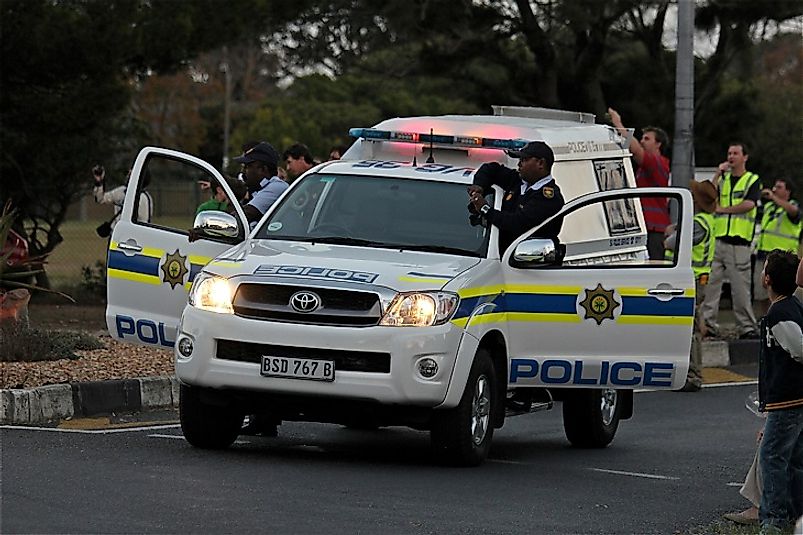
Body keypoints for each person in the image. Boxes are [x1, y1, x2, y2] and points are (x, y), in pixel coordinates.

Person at [755, 249, 803, 533]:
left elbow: (798, 349)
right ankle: (798, 513)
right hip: (796, 396)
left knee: (772, 456)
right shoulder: (795, 305)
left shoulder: (779, 313)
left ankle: (774, 519)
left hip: (787, 398)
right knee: (795, 457)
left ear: (767, 280)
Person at [700, 142, 762, 339]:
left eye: (735, 153)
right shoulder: (724, 179)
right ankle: (707, 325)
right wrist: (718, 174)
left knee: (740, 288)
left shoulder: (752, 180)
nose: (731, 157)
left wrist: (723, 209)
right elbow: (708, 196)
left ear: (745, 157)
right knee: (711, 286)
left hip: (739, 243)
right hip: (718, 241)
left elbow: (749, 204)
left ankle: (747, 327)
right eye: (729, 153)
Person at [664, 180, 718, 392]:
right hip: (698, 278)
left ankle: (693, 375)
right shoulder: (706, 220)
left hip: (693, 280)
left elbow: (673, 242)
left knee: (691, 329)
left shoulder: (698, 223)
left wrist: (670, 234)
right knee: (692, 325)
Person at [467, 141, 565, 255]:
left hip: (528, 263)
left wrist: (485, 209)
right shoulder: (518, 182)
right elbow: (490, 169)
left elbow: (516, 223)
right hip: (504, 259)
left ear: (541, 163)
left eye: (524, 160)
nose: (519, 164)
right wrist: (479, 187)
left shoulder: (548, 198)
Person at [607, 108, 671, 260]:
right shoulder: (646, 167)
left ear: (658, 144)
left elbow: (634, 149)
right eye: (642, 138)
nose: (642, 141)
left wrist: (618, 123)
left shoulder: (658, 163)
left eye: (647, 139)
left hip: (653, 228)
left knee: (653, 268)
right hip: (647, 226)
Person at [754, 179, 802, 316]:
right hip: (764, 254)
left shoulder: (792, 206)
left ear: (788, 191)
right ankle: (766, 318)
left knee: (779, 291)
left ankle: (779, 317)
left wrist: (773, 197)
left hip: (782, 259)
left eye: (779, 187)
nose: (774, 189)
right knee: (761, 292)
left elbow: (794, 212)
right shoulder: (769, 207)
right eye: (774, 187)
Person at [234, 142, 288, 226]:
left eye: (248, 166)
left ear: (263, 169)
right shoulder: (259, 188)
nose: (243, 171)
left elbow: (246, 214)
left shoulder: (277, 186)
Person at [92, 165, 152, 230]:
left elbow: (143, 222)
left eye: (130, 175)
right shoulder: (121, 191)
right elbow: (100, 199)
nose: (127, 177)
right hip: (117, 235)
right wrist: (99, 182)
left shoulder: (144, 198)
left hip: (131, 236)